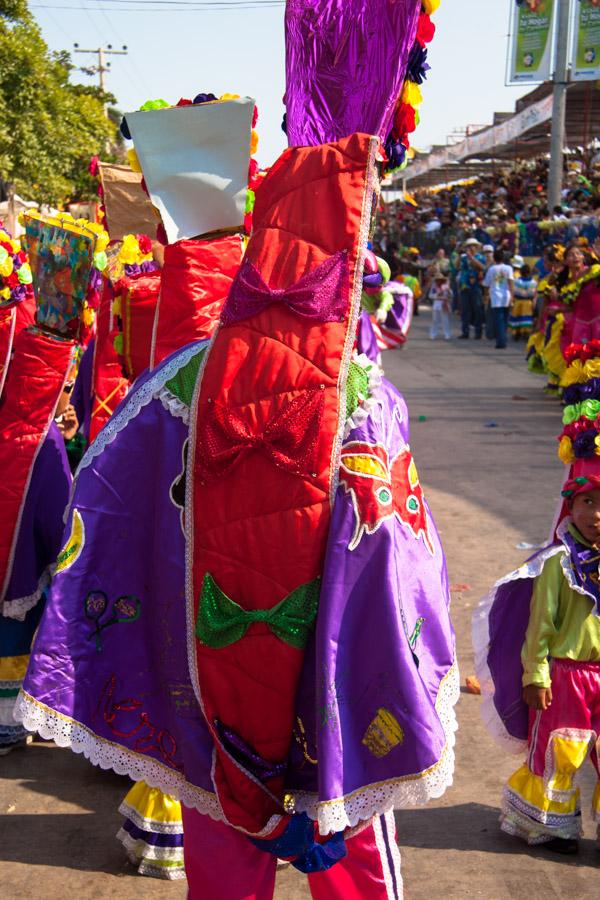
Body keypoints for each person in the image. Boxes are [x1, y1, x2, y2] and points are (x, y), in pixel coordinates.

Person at [474, 340, 600, 853]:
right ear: (569, 509)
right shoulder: (558, 563)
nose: (597, 515)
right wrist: (535, 676)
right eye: (589, 503)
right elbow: (540, 625)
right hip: (566, 675)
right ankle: (551, 826)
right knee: (561, 752)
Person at [483, 249, 514, 349]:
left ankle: (501, 342)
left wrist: (486, 296)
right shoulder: (508, 268)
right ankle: (503, 338)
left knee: (498, 320)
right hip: (506, 296)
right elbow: (511, 283)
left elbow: (486, 285)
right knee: (505, 319)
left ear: (494, 258)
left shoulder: (491, 269)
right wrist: (512, 297)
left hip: (496, 297)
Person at [459, 238, 485, 339]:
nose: (470, 248)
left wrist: (472, 258)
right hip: (465, 285)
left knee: (477, 309)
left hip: (476, 286)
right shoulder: (464, 258)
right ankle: (465, 332)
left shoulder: (480, 257)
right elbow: (457, 267)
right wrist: (459, 255)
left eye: (472, 246)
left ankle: (478, 332)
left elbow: (482, 267)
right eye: (468, 246)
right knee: (465, 310)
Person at [508, 263, 536, 340]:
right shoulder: (533, 282)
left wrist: (512, 301)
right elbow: (534, 293)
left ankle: (517, 333)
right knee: (526, 318)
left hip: (518, 302)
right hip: (528, 303)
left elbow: (514, 291)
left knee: (517, 317)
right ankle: (526, 333)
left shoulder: (517, 281)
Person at [429, 273, 452, 340]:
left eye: (439, 280)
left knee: (445, 320)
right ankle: (433, 334)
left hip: (444, 304)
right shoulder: (434, 287)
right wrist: (437, 294)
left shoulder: (445, 286)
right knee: (435, 320)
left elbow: (451, 295)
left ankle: (447, 334)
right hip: (436, 304)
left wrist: (449, 291)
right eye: (437, 280)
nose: (438, 281)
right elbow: (430, 295)